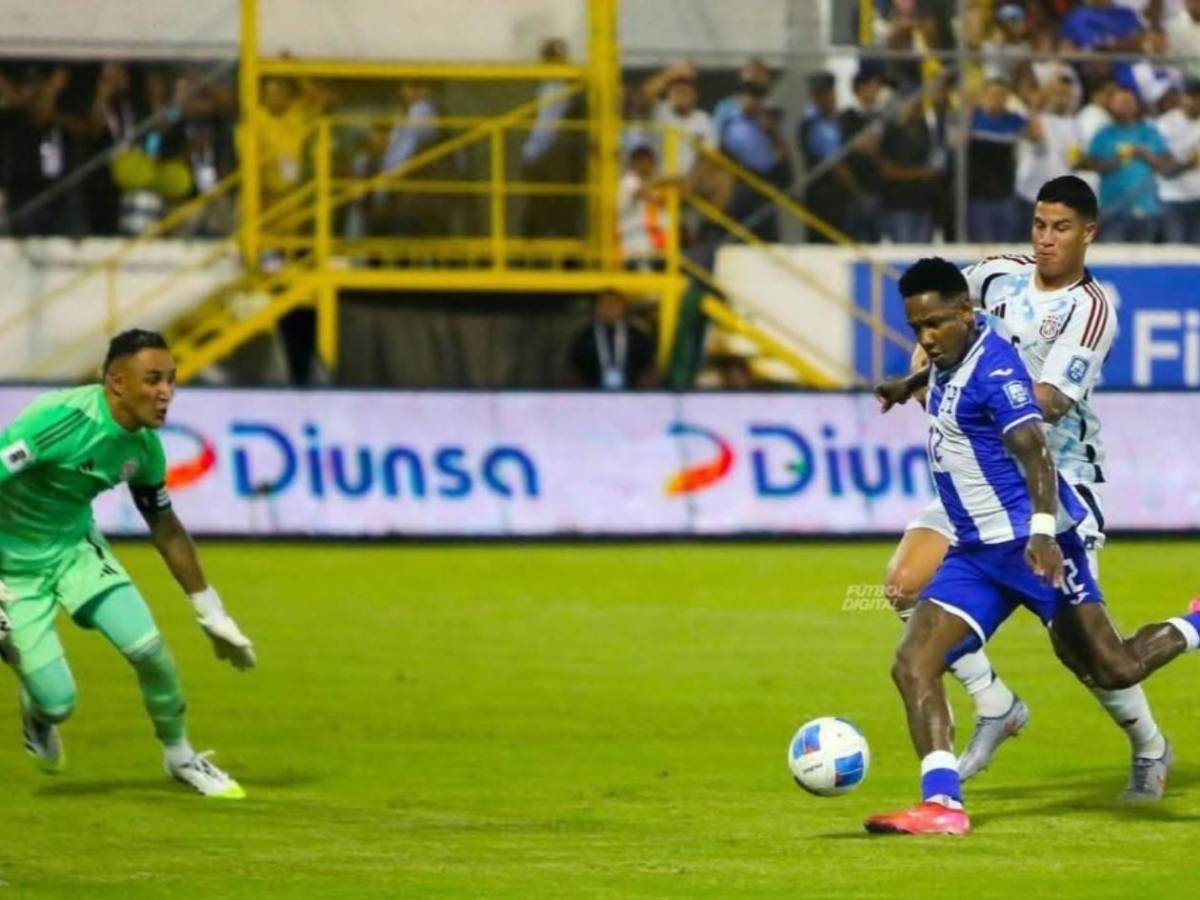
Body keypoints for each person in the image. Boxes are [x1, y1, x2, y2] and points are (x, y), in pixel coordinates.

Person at [864, 257, 1200, 835]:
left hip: (1031, 546)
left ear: (966, 313)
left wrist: (1045, 534)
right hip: (975, 553)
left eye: (936, 324)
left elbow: (1035, 453)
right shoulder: (956, 348)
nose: (926, 338)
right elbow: (945, 367)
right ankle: (942, 806)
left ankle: (1195, 624)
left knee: (1113, 667)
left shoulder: (997, 372)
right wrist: (908, 383)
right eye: (917, 327)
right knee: (913, 663)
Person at [0, 329, 255, 798]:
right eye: (153, 380)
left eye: (172, 381)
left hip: (75, 551)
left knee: (150, 652)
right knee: (59, 702)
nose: (166, 393)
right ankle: (39, 712)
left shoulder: (144, 449)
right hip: (9, 570)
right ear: (117, 383)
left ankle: (180, 757)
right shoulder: (57, 420)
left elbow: (165, 525)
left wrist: (211, 611)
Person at [1085, 86, 1179, 242]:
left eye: (1128, 101)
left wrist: (1145, 154)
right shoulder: (1103, 134)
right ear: (1111, 105)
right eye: (1119, 102)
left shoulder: (1149, 131)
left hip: (1147, 210)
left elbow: (1166, 165)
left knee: (1143, 261)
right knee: (1112, 260)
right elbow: (1094, 166)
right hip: (1113, 210)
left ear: (1137, 105)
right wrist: (1117, 158)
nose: (1124, 105)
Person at [567, 290, 656, 390]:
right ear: (595, 308)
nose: (608, 308)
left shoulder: (637, 336)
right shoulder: (585, 337)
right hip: (592, 396)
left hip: (632, 395)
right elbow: (575, 370)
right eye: (603, 304)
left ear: (623, 308)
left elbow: (648, 368)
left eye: (613, 304)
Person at [1157, 77, 1200, 241]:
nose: (1194, 101)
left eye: (1198, 97)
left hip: (1198, 197)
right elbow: (1165, 169)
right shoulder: (1166, 123)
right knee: (1175, 248)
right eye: (1190, 96)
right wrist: (1190, 162)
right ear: (1182, 97)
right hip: (1173, 197)